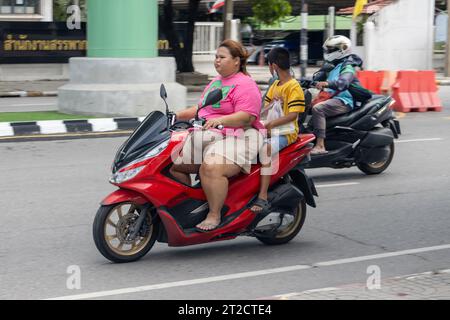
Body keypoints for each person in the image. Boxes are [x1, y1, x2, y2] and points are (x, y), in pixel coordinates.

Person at [170, 39, 264, 232]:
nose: (217, 61)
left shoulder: (245, 84)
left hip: (241, 135)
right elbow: (200, 108)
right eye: (216, 57)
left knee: (210, 167)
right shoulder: (215, 82)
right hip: (212, 134)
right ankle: (192, 205)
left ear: (236, 60)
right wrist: (175, 115)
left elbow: (246, 117)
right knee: (173, 166)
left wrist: (222, 120)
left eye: (222, 57)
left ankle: (214, 214)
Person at [250, 47, 305, 214]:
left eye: (268, 64)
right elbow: (263, 108)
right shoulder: (275, 85)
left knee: (265, 150)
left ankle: (263, 196)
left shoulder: (293, 86)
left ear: (273, 66)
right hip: (270, 130)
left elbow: (292, 115)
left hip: (286, 134)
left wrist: (270, 125)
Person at [310, 35, 365, 155]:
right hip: (331, 98)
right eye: (327, 50)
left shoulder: (347, 66)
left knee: (318, 109)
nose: (328, 53)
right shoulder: (332, 65)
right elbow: (314, 79)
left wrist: (326, 83)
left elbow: (343, 82)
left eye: (330, 50)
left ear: (341, 51)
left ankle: (320, 145)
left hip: (344, 100)